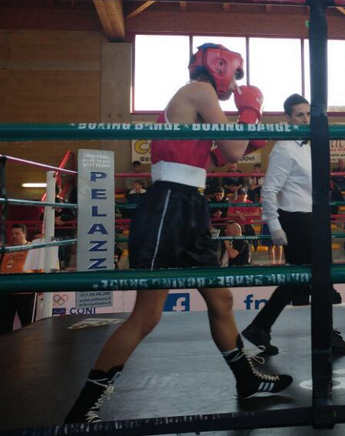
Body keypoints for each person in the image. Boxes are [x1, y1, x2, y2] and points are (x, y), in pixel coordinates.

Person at [64, 44, 290, 425]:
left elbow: (211, 155)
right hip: (170, 206)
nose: (235, 82)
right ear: (220, 68)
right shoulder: (198, 91)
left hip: (187, 205)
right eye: (235, 74)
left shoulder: (191, 100)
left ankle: (245, 378)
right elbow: (234, 152)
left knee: (219, 299)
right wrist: (250, 111)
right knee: (146, 315)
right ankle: (84, 404)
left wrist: (243, 138)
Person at [241, 94, 345, 358]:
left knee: (298, 280)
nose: (305, 119)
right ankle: (324, 335)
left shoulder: (307, 145)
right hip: (296, 219)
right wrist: (274, 225)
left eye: (307, 114)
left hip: (311, 218)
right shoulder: (284, 148)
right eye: (299, 115)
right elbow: (269, 190)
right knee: (317, 277)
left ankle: (260, 327)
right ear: (288, 118)